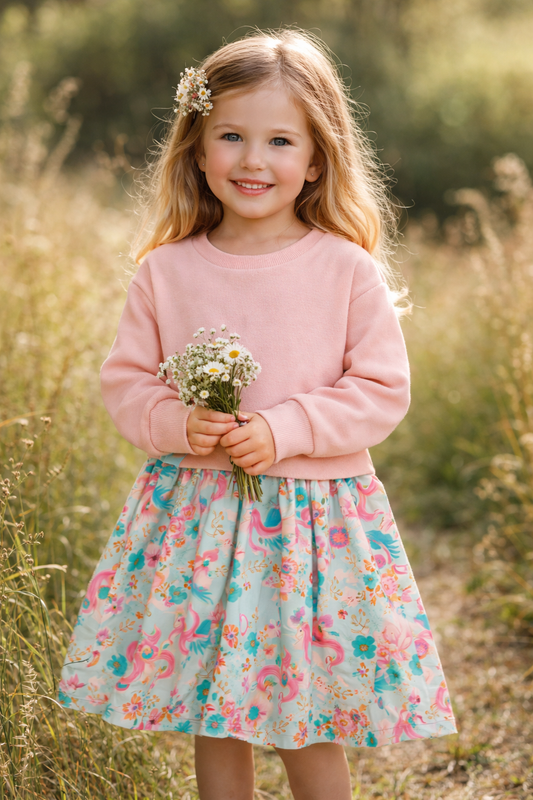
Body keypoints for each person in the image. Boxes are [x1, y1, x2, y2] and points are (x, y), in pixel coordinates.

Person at [58, 28, 456, 800]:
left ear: (315, 159)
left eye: (279, 140)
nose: (252, 159)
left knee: (300, 713)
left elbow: (380, 387)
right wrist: (178, 424)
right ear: (197, 148)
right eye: (231, 136)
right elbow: (128, 381)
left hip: (313, 526)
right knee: (219, 709)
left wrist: (284, 429)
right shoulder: (166, 272)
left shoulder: (343, 268)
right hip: (199, 521)